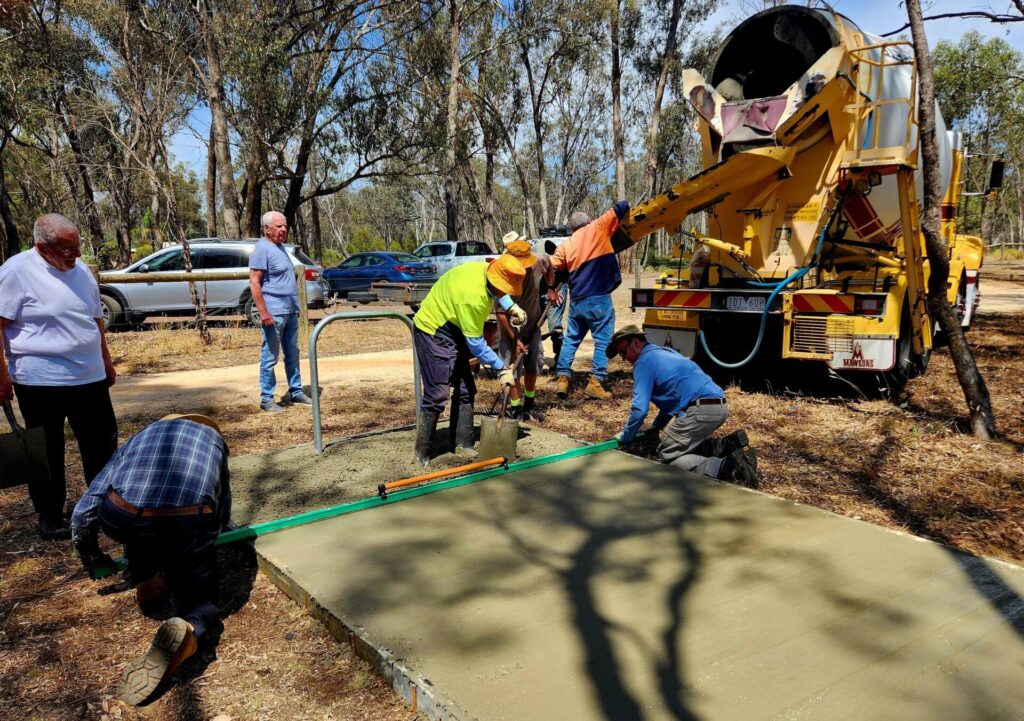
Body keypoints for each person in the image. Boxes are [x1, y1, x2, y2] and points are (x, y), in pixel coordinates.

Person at [70, 413, 231, 705]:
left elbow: (85, 509)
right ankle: (191, 630)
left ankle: (145, 578)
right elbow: (222, 509)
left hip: (123, 516)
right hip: (187, 519)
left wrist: (92, 556)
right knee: (199, 599)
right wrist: (200, 547)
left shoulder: (140, 438)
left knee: (138, 523)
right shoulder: (215, 441)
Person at [0, 213, 118, 540]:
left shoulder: (79, 270)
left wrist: (105, 361)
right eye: (67, 250)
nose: (76, 255)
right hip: (40, 381)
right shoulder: (16, 272)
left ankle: (103, 506)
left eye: (77, 246)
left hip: (89, 377)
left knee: (102, 445)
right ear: (42, 247)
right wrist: (1, 375)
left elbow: (95, 320)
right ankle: (50, 516)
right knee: (47, 450)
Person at [412, 255, 528, 466]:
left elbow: (498, 290)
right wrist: (501, 368)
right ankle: (422, 453)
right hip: (433, 329)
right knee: (437, 393)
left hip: (454, 324)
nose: (506, 294)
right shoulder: (473, 298)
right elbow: (476, 344)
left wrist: (511, 307)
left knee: (466, 389)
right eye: (506, 290)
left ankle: (463, 444)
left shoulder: (487, 271)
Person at [608, 324, 757, 484]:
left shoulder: (643, 363)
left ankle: (729, 468)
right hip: (718, 405)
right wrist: (657, 427)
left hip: (700, 410)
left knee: (667, 456)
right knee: (678, 444)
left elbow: (639, 410)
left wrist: (626, 437)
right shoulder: (665, 352)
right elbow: (674, 397)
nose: (623, 358)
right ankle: (725, 446)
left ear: (636, 343)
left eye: (623, 352)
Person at [549, 201, 630, 401]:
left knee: (571, 339)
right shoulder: (599, 226)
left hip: (577, 300)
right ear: (589, 221)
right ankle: (596, 382)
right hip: (599, 298)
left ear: (571, 228)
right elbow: (623, 205)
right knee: (603, 341)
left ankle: (562, 379)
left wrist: (551, 288)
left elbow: (553, 268)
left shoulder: (566, 245)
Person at [248, 210, 311, 413]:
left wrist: (295, 308)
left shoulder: (281, 248)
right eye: (279, 226)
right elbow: (254, 283)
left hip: (290, 311)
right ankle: (267, 398)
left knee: (293, 354)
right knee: (270, 356)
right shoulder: (262, 249)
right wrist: (264, 312)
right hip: (273, 313)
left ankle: (296, 391)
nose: (284, 229)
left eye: (285, 226)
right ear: (267, 228)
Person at [495, 232, 553, 421]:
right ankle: (516, 408)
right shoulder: (502, 275)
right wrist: (515, 339)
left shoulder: (538, 262)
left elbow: (549, 265)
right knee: (512, 369)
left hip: (534, 325)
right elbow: (501, 313)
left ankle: (529, 404)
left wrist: (551, 288)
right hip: (510, 330)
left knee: (532, 365)